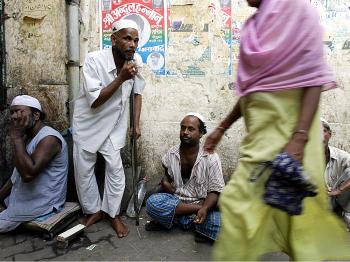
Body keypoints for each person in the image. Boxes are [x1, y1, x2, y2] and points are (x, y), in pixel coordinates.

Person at [204, 0, 350, 260]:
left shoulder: (297, 9)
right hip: (259, 137)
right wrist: (222, 127)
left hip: (293, 135)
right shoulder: (252, 27)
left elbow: (313, 79)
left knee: (300, 221)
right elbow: (251, 92)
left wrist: (299, 140)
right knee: (238, 206)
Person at [72, 19, 146, 238]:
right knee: (84, 170)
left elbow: (137, 93)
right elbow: (95, 100)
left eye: (135, 40)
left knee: (115, 170)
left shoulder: (136, 61)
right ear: (113, 39)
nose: (132, 44)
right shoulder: (94, 60)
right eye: (127, 38)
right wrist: (121, 77)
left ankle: (112, 213)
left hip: (114, 124)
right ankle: (94, 210)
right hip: (89, 122)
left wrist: (136, 122)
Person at [145, 113, 225, 243]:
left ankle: (174, 220)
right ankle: (197, 227)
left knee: (228, 227)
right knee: (152, 203)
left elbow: (215, 191)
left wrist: (205, 208)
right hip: (180, 203)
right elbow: (167, 176)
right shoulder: (171, 154)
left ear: (201, 133)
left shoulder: (211, 157)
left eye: (191, 129)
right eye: (183, 128)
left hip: (199, 203)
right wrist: (165, 182)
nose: (185, 132)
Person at [0, 95, 68, 233]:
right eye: (12, 112)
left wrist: (16, 138)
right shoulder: (28, 137)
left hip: (42, 204)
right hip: (22, 199)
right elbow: (16, 176)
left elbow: (27, 174)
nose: (14, 117)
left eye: (19, 111)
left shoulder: (49, 138)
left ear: (36, 115)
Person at [322, 118, 350, 227]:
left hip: (338, 201)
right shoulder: (303, 156)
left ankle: (343, 215)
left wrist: (339, 190)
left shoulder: (341, 156)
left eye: (323, 131)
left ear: (329, 135)